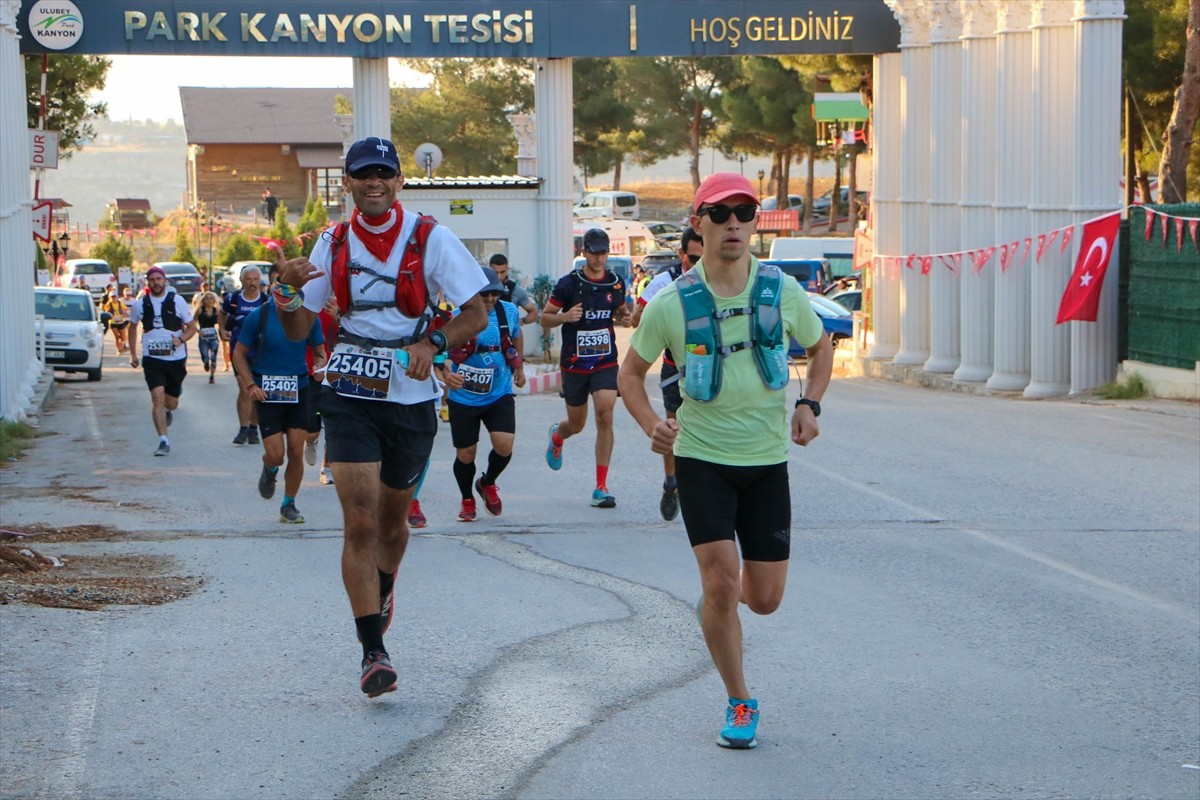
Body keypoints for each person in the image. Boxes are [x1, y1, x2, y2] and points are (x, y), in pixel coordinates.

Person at [617, 173, 833, 750]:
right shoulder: (671, 303)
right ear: (698, 223)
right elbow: (630, 375)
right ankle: (740, 701)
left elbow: (820, 347)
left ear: (754, 220)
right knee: (720, 582)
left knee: (763, 599)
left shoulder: (781, 292)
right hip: (701, 458)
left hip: (766, 461)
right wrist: (651, 426)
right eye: (720, 213)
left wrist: (810, 403)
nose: (733, 222)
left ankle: (720, 606)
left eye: (744, 211)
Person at [271, 136, 488, 698]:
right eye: (363, 174)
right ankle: (373, 652)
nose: (374, 183)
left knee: (392, 523)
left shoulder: (430, 237)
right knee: (361, 521)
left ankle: (384, 583)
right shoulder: (331, 242)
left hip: (412, 396)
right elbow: (300, 329)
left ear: (399, 181)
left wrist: (434, 343)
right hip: (348, 389)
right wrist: (288, 294)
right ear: (347, 182)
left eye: (383, 174)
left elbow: (477, 312)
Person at [540, 227, 630, 508]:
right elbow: (545, 318)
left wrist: (624, 317)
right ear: (584, 252)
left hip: (605, 361)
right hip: (575, 364)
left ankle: (601, 486)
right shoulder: (569, 284)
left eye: (604, 252)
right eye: (595, 252)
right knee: (577, 424)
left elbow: (619, 311)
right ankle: (558, 435)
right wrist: (565, 317)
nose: (600, 258)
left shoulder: (616, 283)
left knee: (605, 414)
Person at [232, 265, 327, 524]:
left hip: (299, 389)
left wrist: (320, 366)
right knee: (277, 454)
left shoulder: (308, 317)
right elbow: (238, 354)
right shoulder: (260, 316)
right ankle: (270, 467)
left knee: (296, 451)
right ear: (274, 288)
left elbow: (320, 352)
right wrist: (251, 385)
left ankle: (289, 504)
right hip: (268, 392)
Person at [629, 225, 705, 521]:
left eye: (703, 258)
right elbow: (637, 318)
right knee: (673, 430)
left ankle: (702, 487)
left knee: (705, 427)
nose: (698, 266)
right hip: (675, 368)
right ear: (680, 254)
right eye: (693, 259)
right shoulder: (663, 281)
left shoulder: (716, 279)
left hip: (708, 367)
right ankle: (672, 481)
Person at [439, 266, 526, 521]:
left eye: (494, 295)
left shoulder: (507, 311)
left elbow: (516, 335)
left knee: (504, 445)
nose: (489, 300)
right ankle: (467, 499)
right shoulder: (458, 316)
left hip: (498, 393)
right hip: (464, 396)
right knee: (466, 454)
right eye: (484, 295)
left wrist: (518, 366)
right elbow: (440, 350)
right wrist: (446, 373)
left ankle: (488, 482)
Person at [127, 265, 198, 456]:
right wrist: (133, 354)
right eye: (152, 280)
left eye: (159, 279)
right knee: (156, 396)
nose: (156, 283)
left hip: (175, 358)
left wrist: (181, 339)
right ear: (147, 283)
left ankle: (169, 408)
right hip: (152, 359)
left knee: (171, 402)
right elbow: (132, 327)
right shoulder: (139, 304)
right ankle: (163, 440)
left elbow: (192, 327)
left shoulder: (178, 301)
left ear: (165, 281)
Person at [220, 266, 267, 445]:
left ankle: (254, 428)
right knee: (245, 390)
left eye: (256, 279)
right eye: (248, 279)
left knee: (256, 392)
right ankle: (243, 428)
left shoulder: (265, 301)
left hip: (261, 353)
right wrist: (223, 331)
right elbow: (222, 314)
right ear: (241, 280)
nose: (252, 283)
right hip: (239, 353)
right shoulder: (232, 299)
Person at [490, 253, 538, 325]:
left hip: (509, 334)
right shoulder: (480, 290)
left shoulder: (516, 290)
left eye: (502, 272)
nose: (499, 276)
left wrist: (522, 321)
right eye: (495, 272)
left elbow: (533, 313)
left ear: (507, 269)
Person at [193, 291, 221, 384]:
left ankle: (212, 376)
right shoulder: (200, 310)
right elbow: (192, 322)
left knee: (213, 356)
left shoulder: (216, 311)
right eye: (207, 298)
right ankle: (205, 363)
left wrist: (222, 331)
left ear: (214, 300)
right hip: (203, 336)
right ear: (203, 300)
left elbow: (221, 323)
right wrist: (198, 331)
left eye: (211, 298)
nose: (209, 300)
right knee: (205, 355)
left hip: (213, 336)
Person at [103, 285, 131, 354]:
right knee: (117, 337)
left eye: (114, 296)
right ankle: (119, 349)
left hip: (120, 322)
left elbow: (125, 309)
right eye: (112, 297)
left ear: (117, 297)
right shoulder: (109, 304)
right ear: (110, 297)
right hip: (113, 322)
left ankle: (122, 346)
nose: (114, 298)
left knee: (123, 336)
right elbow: (106, 311)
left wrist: (124, 313)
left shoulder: (120, 303)